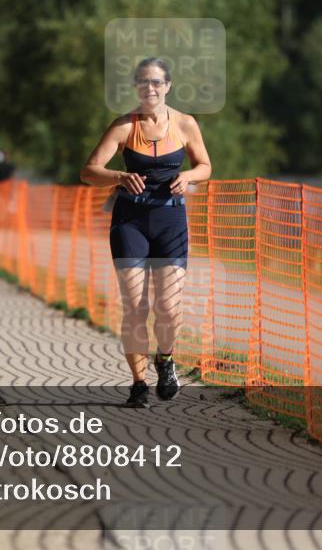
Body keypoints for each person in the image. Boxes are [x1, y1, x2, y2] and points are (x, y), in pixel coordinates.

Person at [80, 57, 212, 408]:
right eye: (142, 82)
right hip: (130, 221)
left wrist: (188, 177)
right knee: (135, 306)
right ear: (136, 88)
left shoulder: (185, 124)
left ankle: (165, 360)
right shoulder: (124, 126)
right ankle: (138, 383)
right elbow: (89, 171)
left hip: (171, 222)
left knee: (168, 306)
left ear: (168, 86)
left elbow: (205, 166)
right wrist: (119, 177)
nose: (149, 88)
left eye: (156, 82)